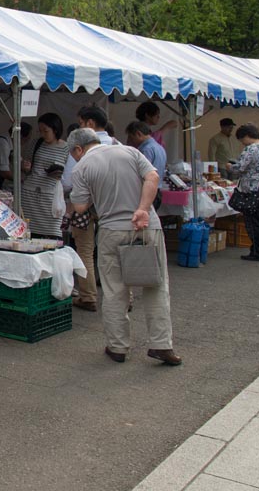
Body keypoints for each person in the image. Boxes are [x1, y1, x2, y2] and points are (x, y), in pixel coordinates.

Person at [68, 127, 181, 366]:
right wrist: (141, 208)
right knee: (156, 287)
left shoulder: (82, 167)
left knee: (114, 290)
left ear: (79, 149)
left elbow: (79, 207)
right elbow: (153, 177)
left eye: (73, 153)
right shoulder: (129, 152)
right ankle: (162, 345)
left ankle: (118, 347)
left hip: (111, 230)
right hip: (147, 226)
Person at [60, 106, 116, 313]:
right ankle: (125, 298)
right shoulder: (118, 145)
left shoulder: (80, 147)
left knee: (85, 251)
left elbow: (67, 181)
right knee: (115, 252)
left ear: (90, 123)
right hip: (112, 207)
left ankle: (88, 296)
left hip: (85, 208)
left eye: (82, 122)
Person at [226, 124, 259, 262]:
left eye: (242, 140)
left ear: (247, 136)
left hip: (254, 190)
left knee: (254, 223)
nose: (242, 143)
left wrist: (230, 167)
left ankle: (258, 252)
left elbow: (240, 168)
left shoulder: (250, 149)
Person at [21, 113, 69, 240]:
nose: (42, 134)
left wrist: (59, 174)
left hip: (50, 197)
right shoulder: (36, 143)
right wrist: (26, 167)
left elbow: (69, 173)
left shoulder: (66, 148)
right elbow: (27, 166)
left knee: (53, 234)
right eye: (40, 130)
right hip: (30, 194)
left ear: (55, 129)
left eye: (46, 131)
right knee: (30, 233)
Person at [0, 122, 32, 188]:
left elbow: (17, 159)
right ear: (20, 136)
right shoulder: (3, 144)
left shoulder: (9, 144)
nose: (25, 143)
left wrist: (24, 165)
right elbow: (3, 171)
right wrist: (19, 180)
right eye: (26, 140)